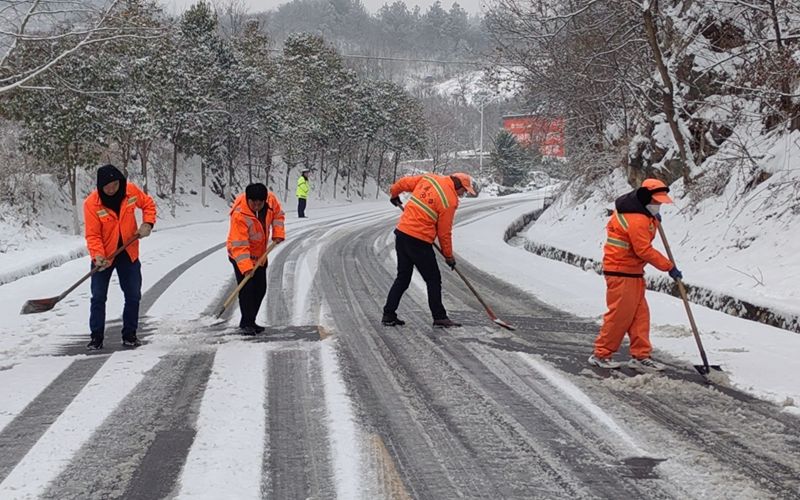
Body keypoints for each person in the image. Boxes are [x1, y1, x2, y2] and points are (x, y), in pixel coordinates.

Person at [589, 178, 683, 372]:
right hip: (620, 271)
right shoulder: (637, 219)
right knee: (619, 316)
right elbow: (643, 250)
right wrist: (669, 267)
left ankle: (641, 356)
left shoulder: (642, 214)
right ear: (645, 198)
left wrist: (653, 221)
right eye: (656, 201)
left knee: (640, 316)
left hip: (633, 272)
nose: (659, 205)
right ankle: (601, 354)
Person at [382, 172, 475, 328]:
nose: (463, 194)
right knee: (433, 279)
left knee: (403, 278)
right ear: (457, 185)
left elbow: (403, 183)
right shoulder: (449, 201)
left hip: (402, 235)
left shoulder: (429, 178)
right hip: (419, 241)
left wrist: (394, 194)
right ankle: (439, 317)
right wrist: (449, 256)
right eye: (464, 191)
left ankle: (388, 314)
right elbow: (444, 233)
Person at [84, 164, 156, 350]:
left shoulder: (130, 191)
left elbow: (148, 204)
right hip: (104, 255)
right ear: (100, 186)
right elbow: (93, 235)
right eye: (107, 186)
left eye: (115, 184)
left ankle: (130, 335)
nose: (112, 189)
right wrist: (98, 256)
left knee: (133, 295)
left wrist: (147, 223)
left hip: (128, 251)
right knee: (98, 296)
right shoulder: (92, 203)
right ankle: (96, 337)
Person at [227, 183, 285, 335]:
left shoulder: (271, 201)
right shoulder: (240, 214)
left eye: (261, 203)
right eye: (254, 203)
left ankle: (251, 320)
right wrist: (246, 268)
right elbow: (239, 244)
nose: (257, 206)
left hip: (260, 254)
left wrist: (278, 232)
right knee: (247, 289)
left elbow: (278, 215)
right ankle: (246, 323)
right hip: (240, 255)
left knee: (260, 289)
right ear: (248, 199)